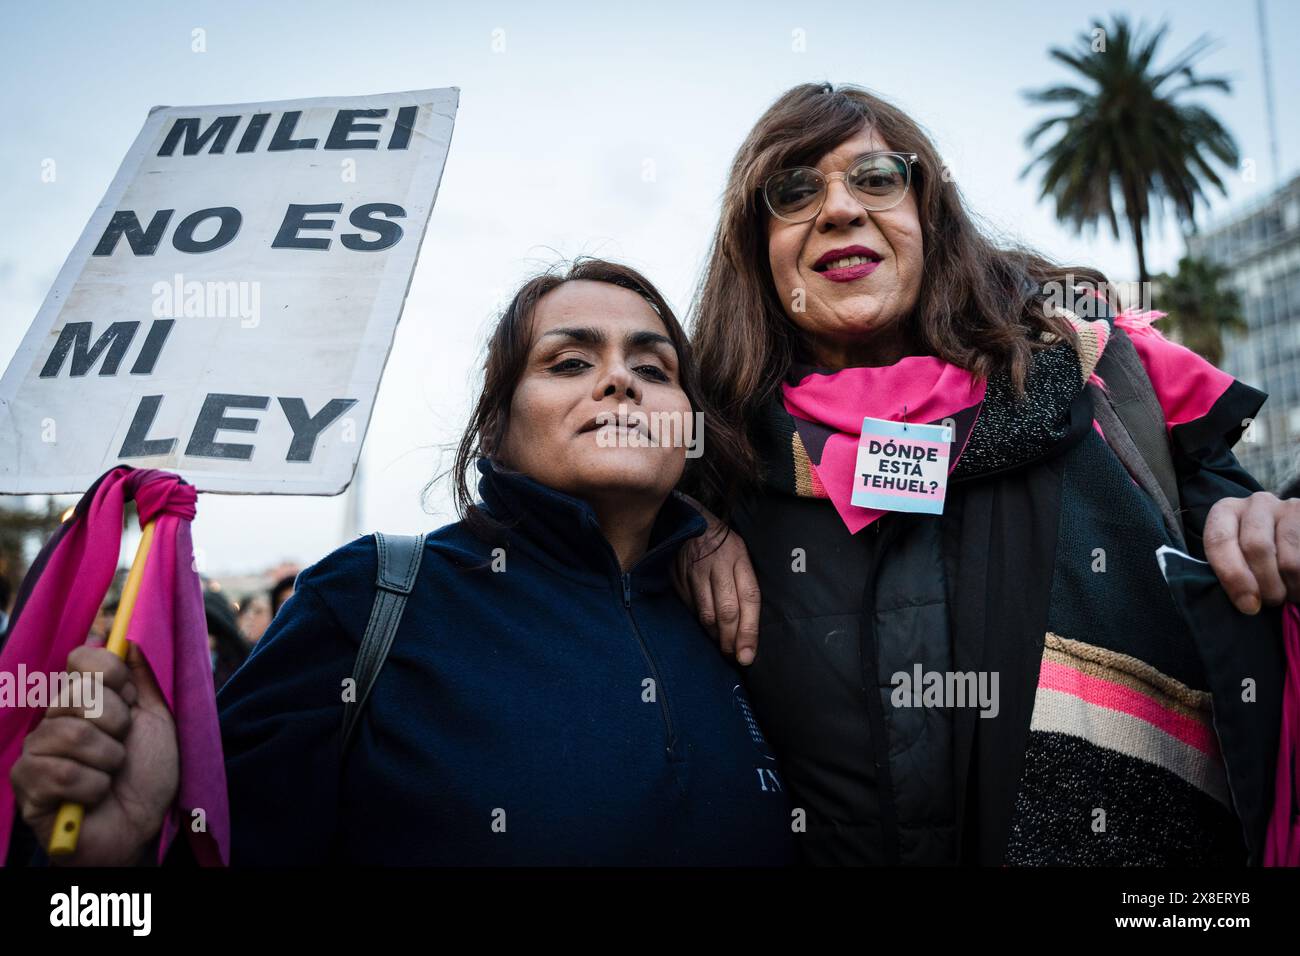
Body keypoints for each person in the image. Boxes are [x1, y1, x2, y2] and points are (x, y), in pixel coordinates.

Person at [674, 82, 1297, 865]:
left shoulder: (1104, 388)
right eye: (794, 191)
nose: (838, 209)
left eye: (876, 178)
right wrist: (685, 529)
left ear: (929, 215)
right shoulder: (710, 469)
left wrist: (1265, 520)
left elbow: (1244, 521)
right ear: (756, 248)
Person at [9, 258, 794, 867]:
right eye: (567, 363)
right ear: (495, 427)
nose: (620, 380)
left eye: (654, 370)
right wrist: (124, 861)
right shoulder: (367, 600)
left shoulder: (740, 610)